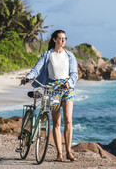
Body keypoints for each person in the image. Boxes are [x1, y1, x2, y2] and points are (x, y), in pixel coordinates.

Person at [21, 29, 78, 162]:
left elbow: (74, 73)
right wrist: (27, 78)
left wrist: (69, 83)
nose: (63, 41)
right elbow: (36, 69)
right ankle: (59, 154)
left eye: (65, 38)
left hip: (67, 88)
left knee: (68, 120)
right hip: (52, 89)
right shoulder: (47, 55)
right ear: (54, 39)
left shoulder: (70, 56)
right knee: (57, 123)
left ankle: (69, 151)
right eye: (60, 38)